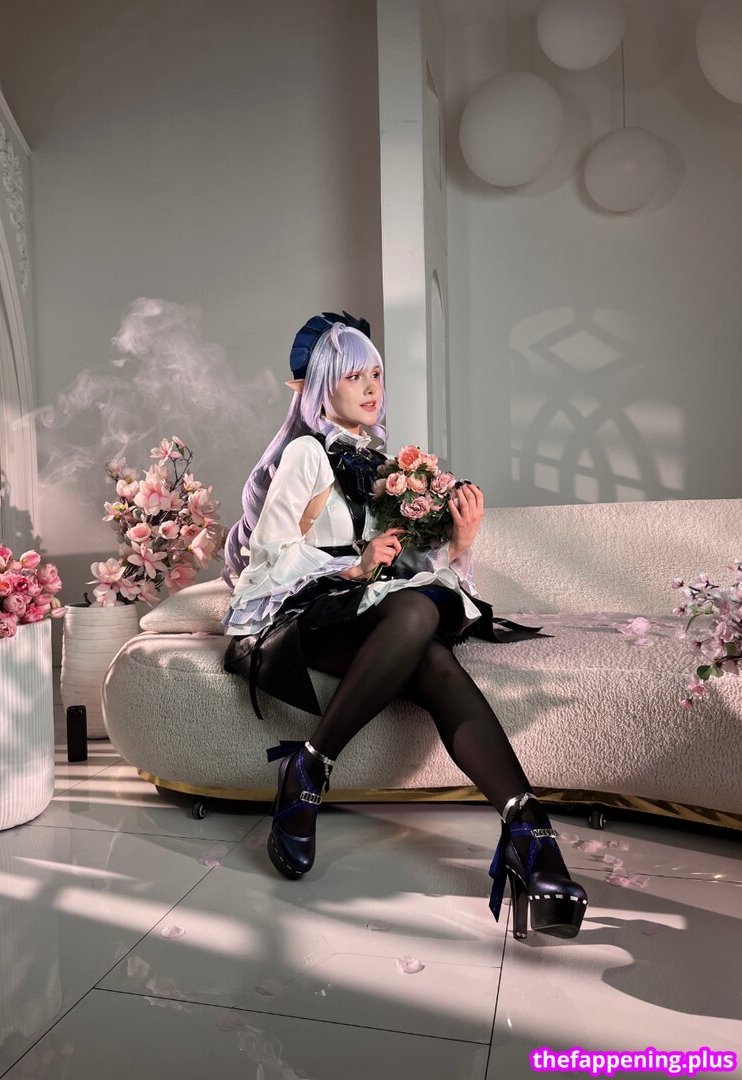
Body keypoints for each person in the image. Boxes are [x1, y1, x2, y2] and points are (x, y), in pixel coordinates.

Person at [221, 311, 588, 941]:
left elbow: (404, 571)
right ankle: (525, 836)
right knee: (418, 617)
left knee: (430, 647)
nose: (371, 387)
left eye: (377, 373)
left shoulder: (383, 463)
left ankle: (527, 828)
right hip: (308, 612)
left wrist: (459, 544)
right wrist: (353, 566)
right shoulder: (306, 453)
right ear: (319, 387)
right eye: (354, 375)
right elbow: (266, 557)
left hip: (369, 611)